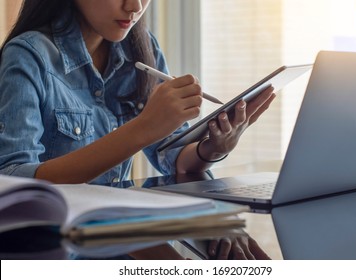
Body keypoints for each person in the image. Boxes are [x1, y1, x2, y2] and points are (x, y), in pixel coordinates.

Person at [0, 0, 275, 259]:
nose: (135, 7)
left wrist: (212, 148)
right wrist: (143, 128)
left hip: (120, 236)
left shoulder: (141, 50)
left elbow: (173, 156)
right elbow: (14, 182)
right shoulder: (28, 56)